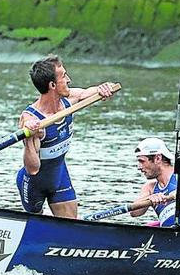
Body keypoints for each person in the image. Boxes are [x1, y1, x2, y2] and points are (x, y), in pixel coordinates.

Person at [17, 55, 117, 218]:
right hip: (35, 183)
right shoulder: (31, 119)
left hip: (59, 176)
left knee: (71, 227)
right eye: (64, 76)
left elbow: (89, 92)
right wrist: (29, 139)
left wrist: (104, 88)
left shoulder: (70, 99)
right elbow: (33, 168)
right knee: (35, 224)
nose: (69, 79)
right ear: (52, 85)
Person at [128, 137, 180, 227]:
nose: (139, 167)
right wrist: (150, 198)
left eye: (142, 161)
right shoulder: (149, 187)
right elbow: (134, 213)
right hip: (168, 234)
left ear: (158, 158)